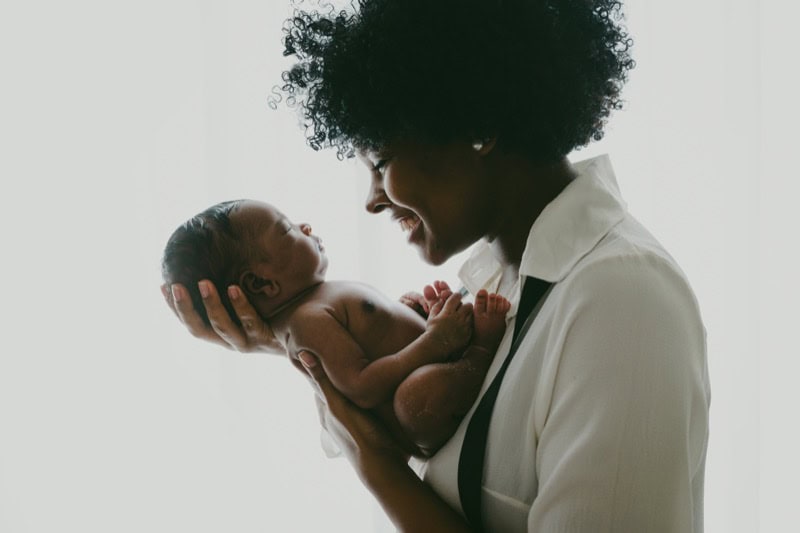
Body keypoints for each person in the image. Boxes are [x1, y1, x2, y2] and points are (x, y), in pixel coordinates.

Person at [162, 0, 711, 531]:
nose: (372, 201)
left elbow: (393, 450)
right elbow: (415, 425)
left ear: (477, 125)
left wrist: (376, 468)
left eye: (380, 163)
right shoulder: (495, 283)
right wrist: (296, 344)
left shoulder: (620, 298)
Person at [161, 199, 511, 458]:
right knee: (414, 398)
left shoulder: (317, 301)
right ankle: (480, 353)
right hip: (423, 412)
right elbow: (362, 387)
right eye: (286, 229)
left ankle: (461, 352)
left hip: (436, 369)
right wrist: (433, 341)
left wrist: (415, 314)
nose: (305, 227)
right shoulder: (305, 322)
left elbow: (375, 341)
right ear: (262, 284)